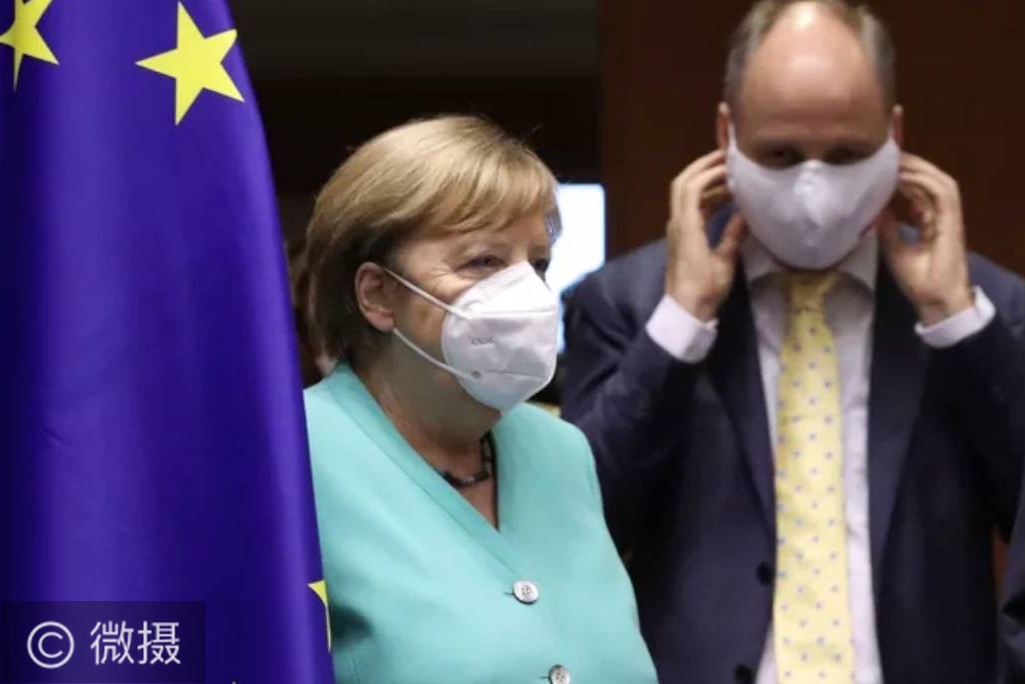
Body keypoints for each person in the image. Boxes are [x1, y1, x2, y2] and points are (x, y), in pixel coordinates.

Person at [560, 2, 1025, 683]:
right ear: (726, 134)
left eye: (846, 155)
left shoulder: (987, 308)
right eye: (779, 154)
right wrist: (681, 324)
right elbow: (577, 529)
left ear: (894, 136)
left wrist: (956, 323)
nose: (814, 187)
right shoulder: (627, 303)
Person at [301, 115, 657, 684]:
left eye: (537, 264)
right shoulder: (292, 458)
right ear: (378, 295)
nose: (528, 292)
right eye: (483, 261)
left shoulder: (562, 452)